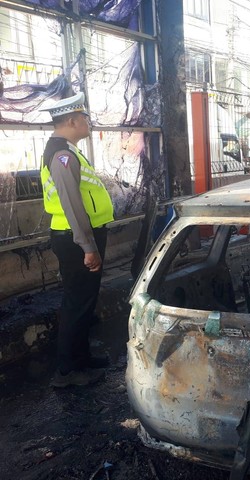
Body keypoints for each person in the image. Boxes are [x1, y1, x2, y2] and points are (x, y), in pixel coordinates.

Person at [40, 92, 114, 388]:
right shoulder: (62, 155)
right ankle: (68, 371)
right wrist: (88, 247)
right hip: (75, 240)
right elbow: (72, 205)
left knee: (85, 301)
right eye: (84, 118)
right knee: (77, 303)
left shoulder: (68, 151)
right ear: (72, 120)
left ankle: (81, 357)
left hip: (80, 237)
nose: (88, 123)